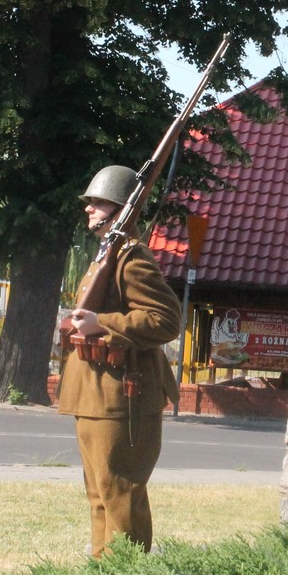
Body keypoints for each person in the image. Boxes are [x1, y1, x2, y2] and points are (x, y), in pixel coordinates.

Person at [56, 165, 181, 555]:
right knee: (99, 495)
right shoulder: (106, 255)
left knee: (121, 494)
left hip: (121, 398)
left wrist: (101, 323)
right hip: (94, 395)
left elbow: (165, 320)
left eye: (97, 202)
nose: (88, 209)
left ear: (117, 208)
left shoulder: (132, 258)